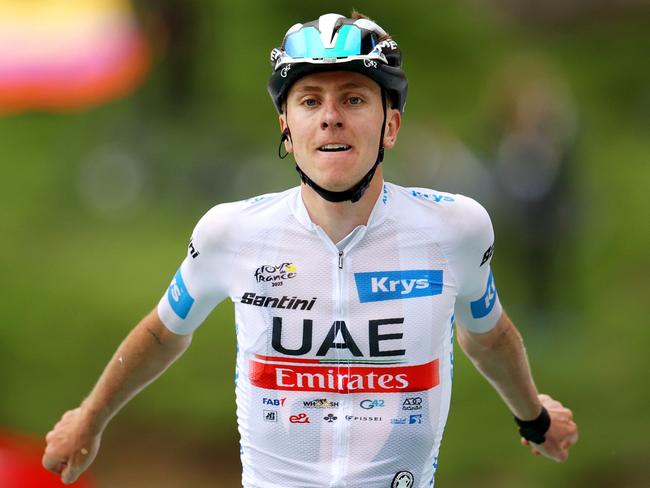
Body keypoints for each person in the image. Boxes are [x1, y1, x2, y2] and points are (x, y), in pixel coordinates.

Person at [43, 12, 578, 488]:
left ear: (390, 125)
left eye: (353, 98)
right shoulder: (230, 233)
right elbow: (162, 332)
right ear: (286, 127)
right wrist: (90, 416)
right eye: (309, 100)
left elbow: (488, 335)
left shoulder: (456, 228)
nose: (330, 116)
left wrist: (532, 416)